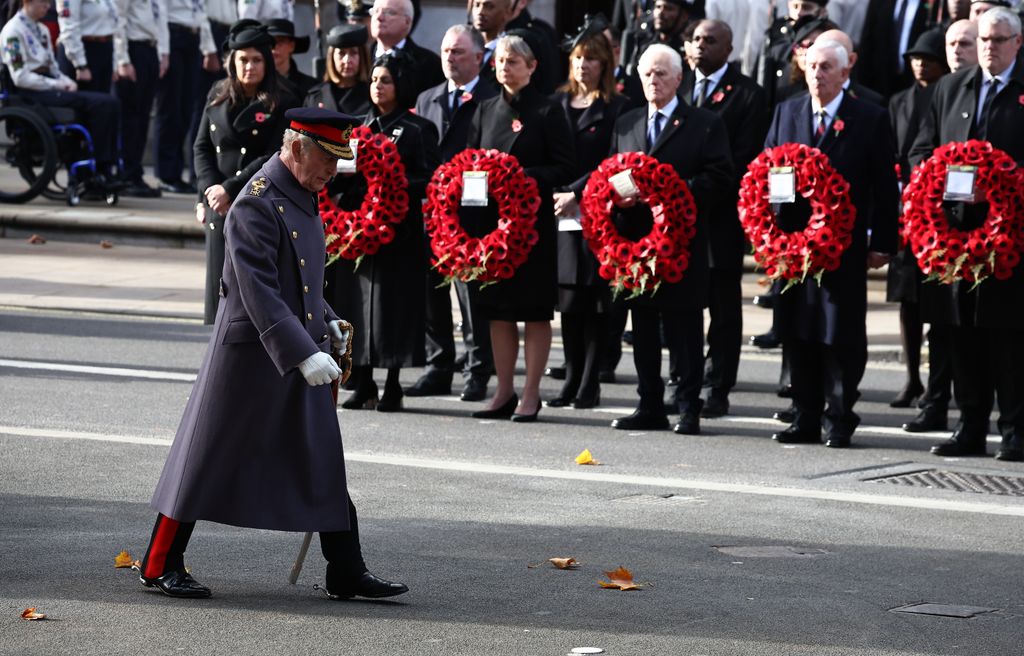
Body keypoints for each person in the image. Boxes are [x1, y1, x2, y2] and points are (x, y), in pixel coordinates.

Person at [138, 107, 407, 601]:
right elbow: (257, 287)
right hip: (250, 354)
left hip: (291, 344)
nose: (333, 171)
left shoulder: (300, 191)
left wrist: (325, 318)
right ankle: (158, 564)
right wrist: (303, 352)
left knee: (321, 457)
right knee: (204, 460)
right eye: (327, 158)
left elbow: (300, 278)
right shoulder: (255, 202)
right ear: (297, 147)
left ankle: (346, 568)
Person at [582, 43, 732, 434]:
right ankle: (649, 404)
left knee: (683, 330)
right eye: (647, 73)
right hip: (634, 247)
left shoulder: (704, 123)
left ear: (679, 79)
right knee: (643, 328)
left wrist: (673, 192)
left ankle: (687, 406)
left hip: (680, 247)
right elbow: (611, 176)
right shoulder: (627, 122)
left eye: (662, 73)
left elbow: (719, 178)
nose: (653, 80)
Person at [767, 39, 899, 449]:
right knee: (798, 328)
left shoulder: (869, 117)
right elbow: (768, 174)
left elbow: (884, 186)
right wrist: (768, 233)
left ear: (845, 73)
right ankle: (805, 414)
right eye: (811, 66)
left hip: (843, 245)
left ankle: (839, 416)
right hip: (794, 247)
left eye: (826, 67)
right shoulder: (786, 111)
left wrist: (884, 242)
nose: (817, 74)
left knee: (840, 333)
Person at [908, 7, 1024, 461]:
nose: (988, 48)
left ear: (1018, 43)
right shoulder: (951, 87)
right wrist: (931, 179)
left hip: (1011, 238)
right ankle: (969, 426)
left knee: (1008, 336)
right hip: (955, 236)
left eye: (998, 40)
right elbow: (922, 148)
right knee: (961, 334)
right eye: (983, 41)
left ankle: (1014, 428)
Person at [466, 33, 575, 422]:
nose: (505, 67)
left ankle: (531, 393)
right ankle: (504, 390)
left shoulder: (548, 110)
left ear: (531, 67)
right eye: (500, 61)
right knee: (498, 310)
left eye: (513, 61)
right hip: (493, 227)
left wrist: (519, 175)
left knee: (533, 311)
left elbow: (565, 167)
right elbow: (470, 163)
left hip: (532, 227)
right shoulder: (484, 109)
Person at [335, 51, 441, 412]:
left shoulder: (416, 129)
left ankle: (393, 382)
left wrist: (391, 181)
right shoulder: (355, 129)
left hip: (399, 231)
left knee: (393, 308)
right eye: (375, 80)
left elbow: (429, 178)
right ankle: (361, 379)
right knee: (357, 305)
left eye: (386, 80)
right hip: (357, 230)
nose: (378, 87)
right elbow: (335, 177)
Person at [681, 19, 769, 418]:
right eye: (696, 39)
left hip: (720, 217)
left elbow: (744, 158)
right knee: (683, 307)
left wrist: (694, 187)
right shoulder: (678, 85)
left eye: (710, 40)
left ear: (728, 49)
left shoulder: (748, 95)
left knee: (722, 308)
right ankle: (683, 378)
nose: (701, 46)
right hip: (676, 222)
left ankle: (718, 385)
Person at [408, 24, 499, 402]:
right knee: (432, 294)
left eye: (459, 52)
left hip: (473, 213)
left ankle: (478, 368)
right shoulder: (427, 98)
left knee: (471, 295)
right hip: (432, 210)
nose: (449, 57)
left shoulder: (492, 97)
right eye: (446, 50)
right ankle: (438, 364)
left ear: (479, 57)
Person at [546, 22, 630, 411]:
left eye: (592, 58)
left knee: (596, 301)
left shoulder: (616, 108)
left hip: (597, 212)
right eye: (578, 58)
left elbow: (611, 161)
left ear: (605, 63)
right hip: (561, 215)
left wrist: (576, 191)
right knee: (570, 302)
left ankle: (589, 381)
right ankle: (570, 372)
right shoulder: (557, 104)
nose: (583, 65)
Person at [193, 22, 300, 324]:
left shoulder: (285, 99)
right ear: (232, 62)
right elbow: (202, 147)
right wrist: (208, 192)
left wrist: (230, 188)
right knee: (220, 293)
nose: (249, 67)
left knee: (252, 296)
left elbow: (275, 154)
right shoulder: (218, 92)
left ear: (267, 61)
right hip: (219, 204)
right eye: (243, 60)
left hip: (256, 201)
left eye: (256, 60)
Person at [885, 28, 952, 422]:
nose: (919, 63)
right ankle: (912, 378)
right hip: (904, 212)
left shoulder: (947, 95)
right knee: (908, 301)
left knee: (938, 305)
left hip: (938, 216)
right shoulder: (898, 101)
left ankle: (940, 385)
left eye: (927, 57)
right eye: (914, 57)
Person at [0, 0, 121, 191]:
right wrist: (56, 84)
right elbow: (20, 77)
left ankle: (106, 165)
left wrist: (66, 81)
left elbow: (53, 67)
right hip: (33, 93)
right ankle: (101, 165)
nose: (48, 7)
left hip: (49, 87)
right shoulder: (13, 31)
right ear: (27, 2)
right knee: (102, 104)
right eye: (43, 3)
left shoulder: (42, 30)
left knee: (110, 103)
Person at [155, 0, 218, 195]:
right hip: (173, 35)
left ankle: (176, 171)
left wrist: (208, 48)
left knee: (184, 109)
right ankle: (167, 174)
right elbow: (160, 13)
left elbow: (201, 12)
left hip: (193, 37)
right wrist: (163, 51)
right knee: (170, 109)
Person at [114, 0, 168, 197]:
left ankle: (135, 172)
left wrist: (163, 53)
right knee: (131, 118)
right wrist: (123, 60)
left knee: (143, 117)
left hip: (149, 49)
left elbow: (159, 19)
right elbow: (119, 20)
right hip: (133, 50)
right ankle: (127, 173)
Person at [858, 0, 942, 98]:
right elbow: (867, 41)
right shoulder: (879, 2)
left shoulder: (932, 4)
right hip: (880, 82)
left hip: (915, 84)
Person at [755, 0, 829, 108]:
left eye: (806, 7)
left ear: (821, 11)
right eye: (795, 6)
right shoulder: (775, 33)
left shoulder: (828, 33)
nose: (799, 12)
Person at [369, 0, 442, 97]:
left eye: (389, 12)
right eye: (375, 11)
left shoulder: (430, 65)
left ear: (407, 21)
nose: (379, 17)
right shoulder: (358, 57)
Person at [305, 23, 372, 116]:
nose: (347, 60)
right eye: (341, 53)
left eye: (353, 53)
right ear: (332, 57)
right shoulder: (316, 96)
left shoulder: (373, 93)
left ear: (362, 56)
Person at [55, 0, 120, 93]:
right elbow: (69, 27)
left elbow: (113, 24)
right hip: (83, 51)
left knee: (104, 102)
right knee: (87, 100)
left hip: (104, 48)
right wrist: (80, 65)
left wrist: (114, 63)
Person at [265, 18, 317, 98]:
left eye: (280, 41)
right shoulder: (254, 84)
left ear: (292, 46)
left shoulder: (311, 87)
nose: (274, 47)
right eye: (270, 42)